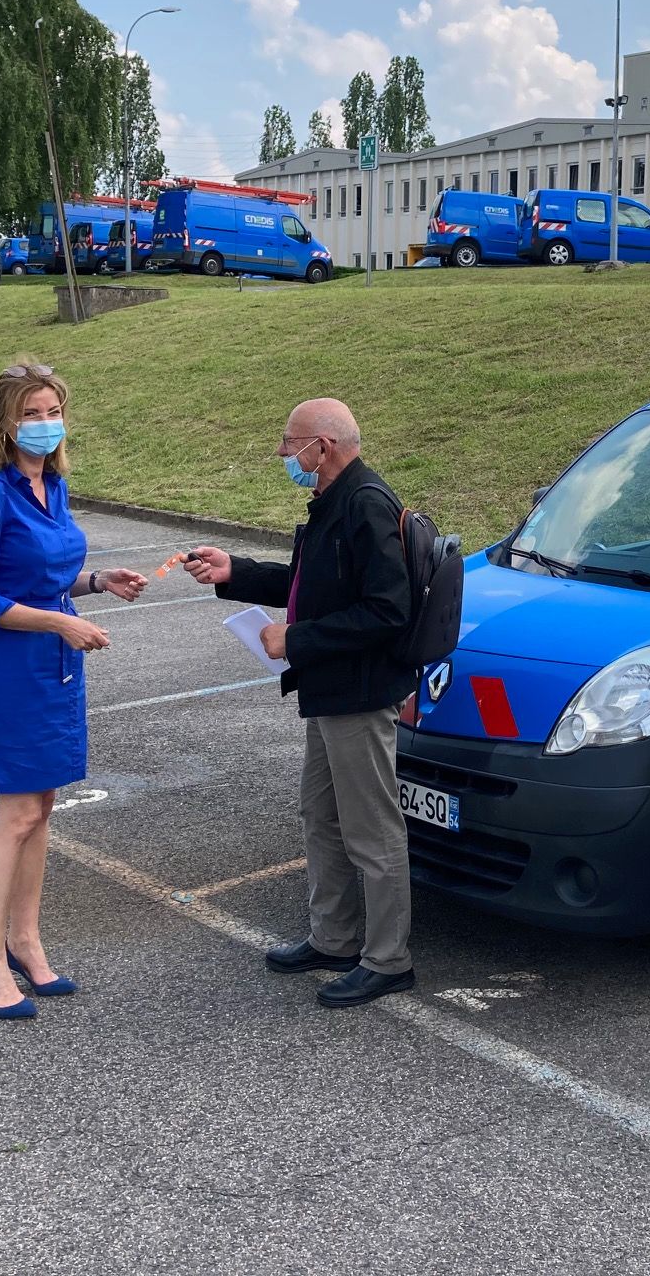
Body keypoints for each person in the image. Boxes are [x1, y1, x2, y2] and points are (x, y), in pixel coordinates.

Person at [184, 398, 418, 1009]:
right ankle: (333, 938)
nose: (283, 453)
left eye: (290, 443)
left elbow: (388, 611)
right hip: (330, 691)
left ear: (324, 446)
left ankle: (388, 960)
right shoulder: (333, 501)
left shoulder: (366, 504)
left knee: (372, 828)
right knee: (322, 814)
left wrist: (296, 638)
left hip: (359, 694)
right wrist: (233, 571)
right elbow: (305, 581)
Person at [0, 362, 147, 1019]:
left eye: (52, 411)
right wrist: (61, 621)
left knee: (42, 809)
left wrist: (96, 582)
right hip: (11, 667)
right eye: (31, 414)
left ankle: (26, 942)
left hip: (57, 666)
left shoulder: (53, 484)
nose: (44, 423)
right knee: (15, 815)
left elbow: (47, 576)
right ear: (6, 422)